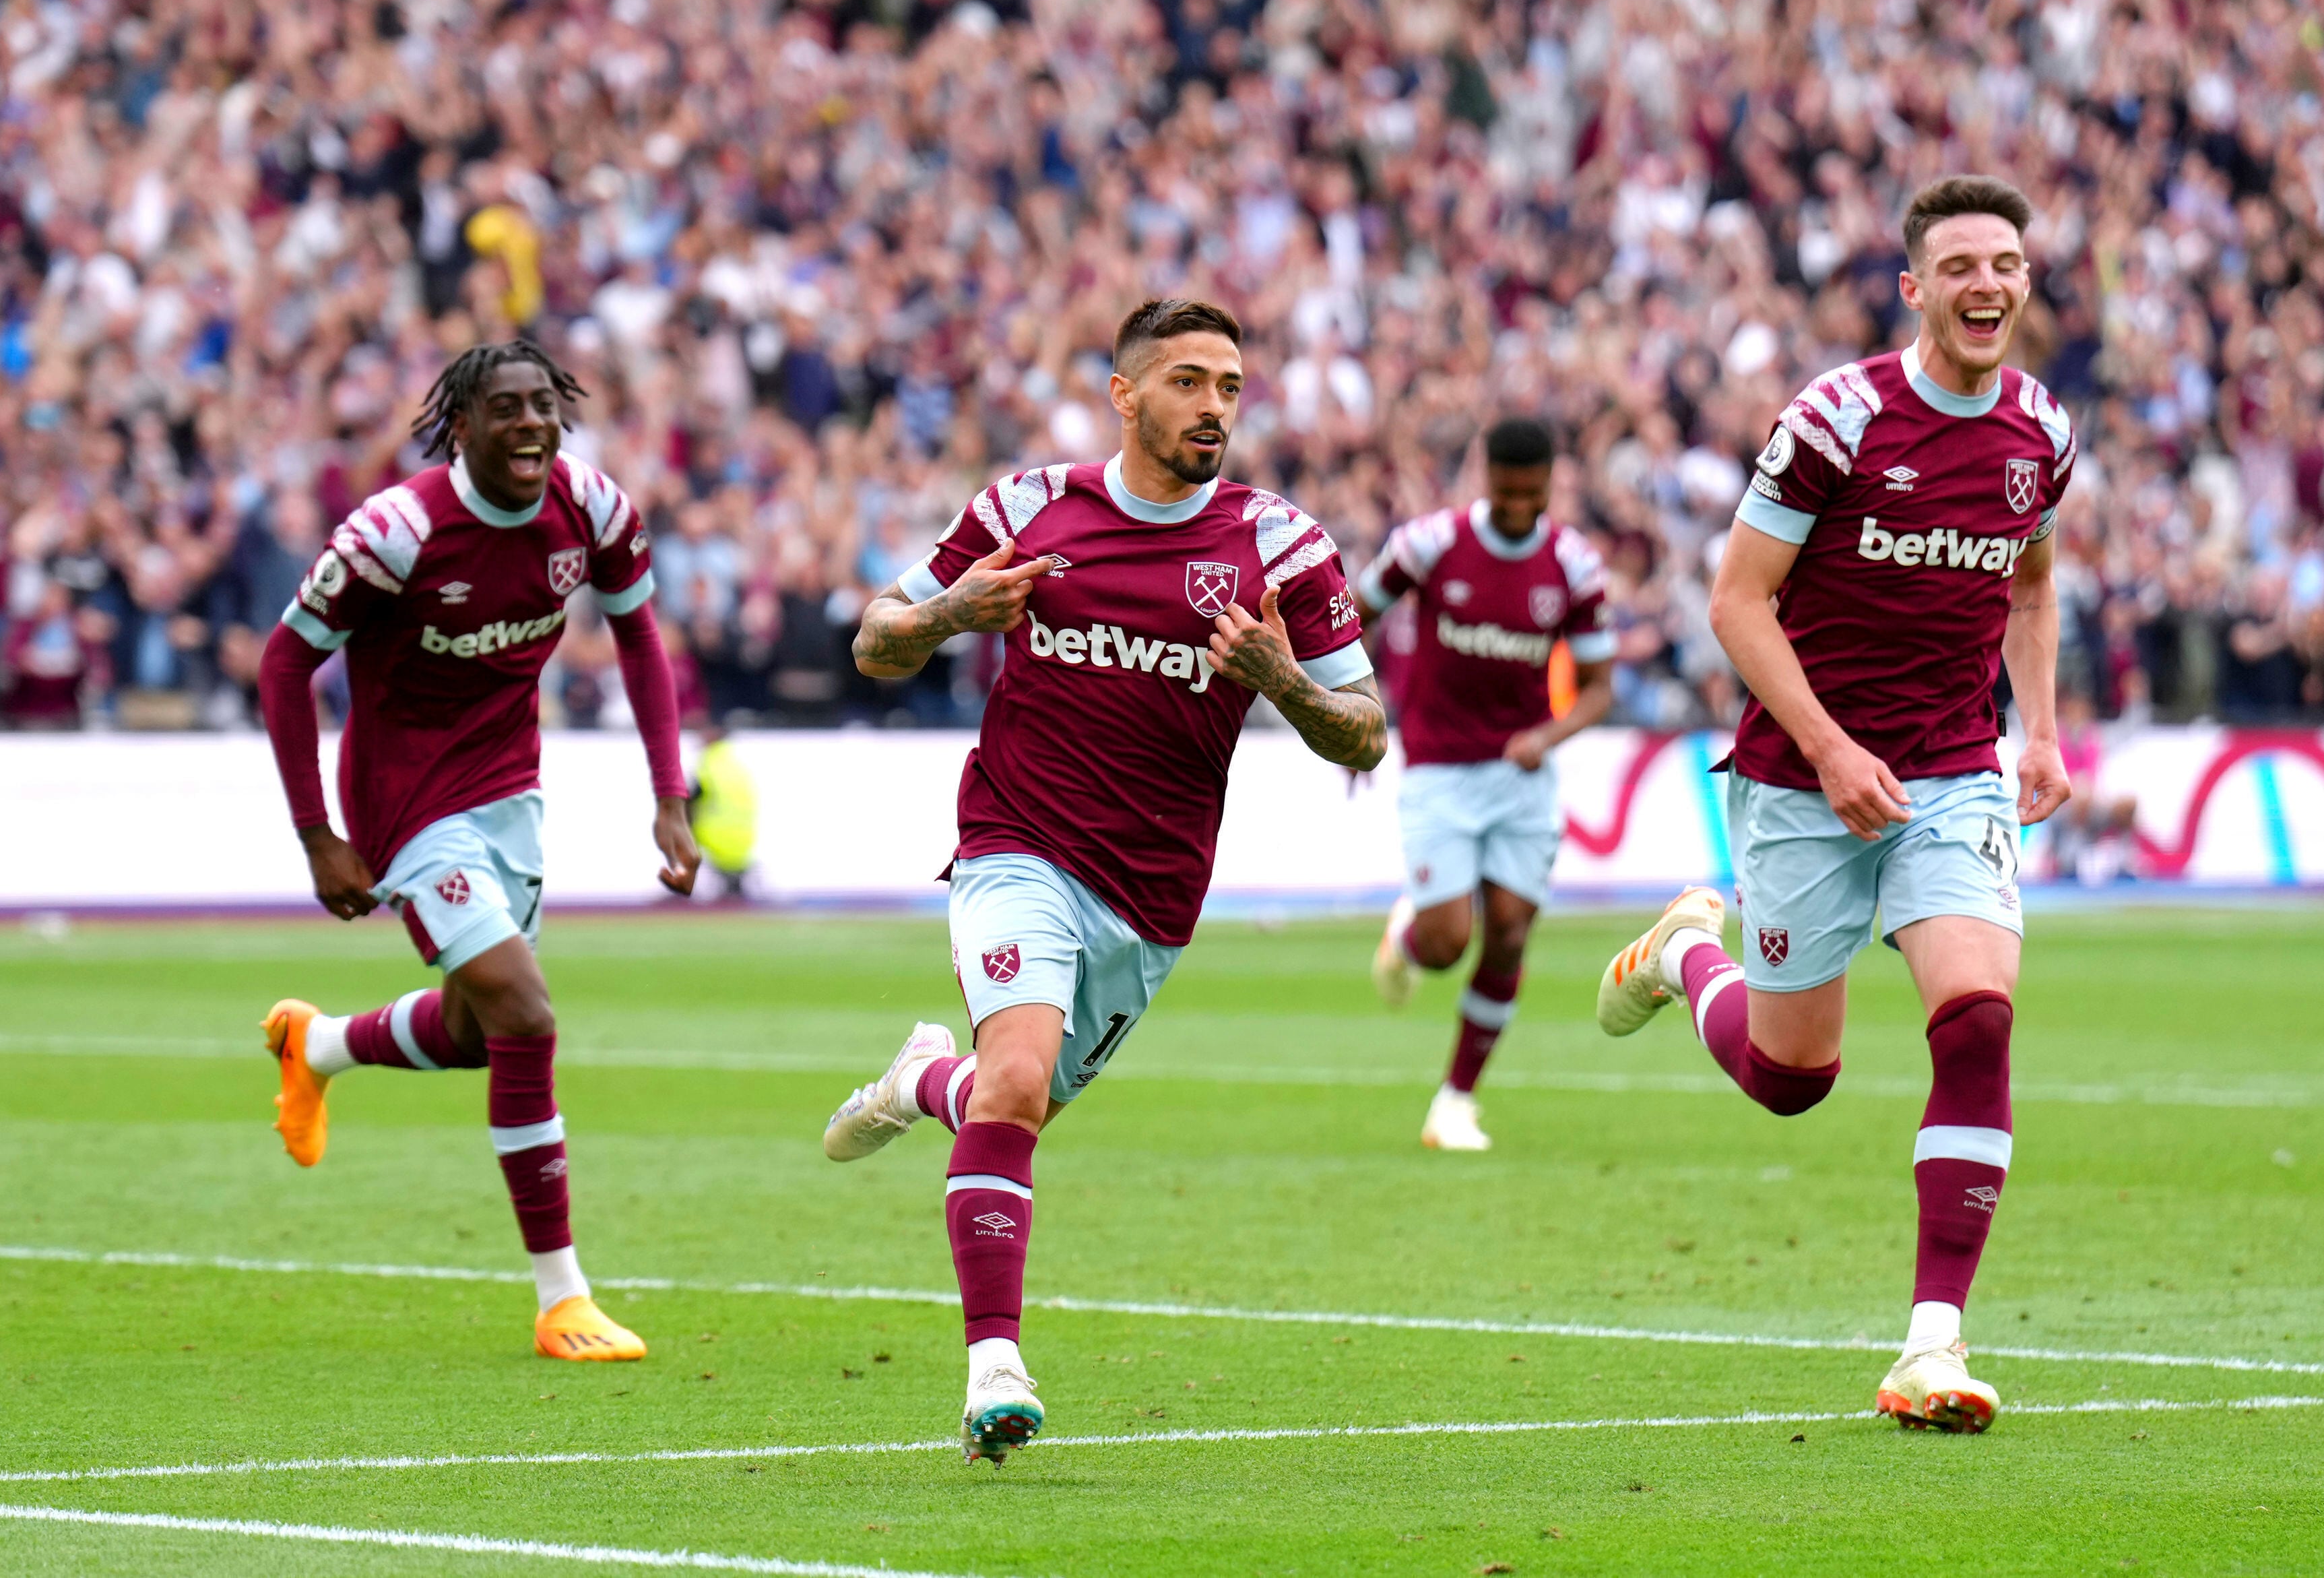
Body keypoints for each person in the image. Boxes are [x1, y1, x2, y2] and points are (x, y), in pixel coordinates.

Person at [823, 298, 1386, 1463]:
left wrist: (1281, 680)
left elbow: (1366, 734)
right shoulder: (1030, 508)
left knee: (1009, 1100)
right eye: (1188, 382)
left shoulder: (1281, 543)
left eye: (1230, 385)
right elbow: (876, 639)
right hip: (1015, 840)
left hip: (1154, 897)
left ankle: (924, 1078)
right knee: (1020, 1083)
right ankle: (994, 1370)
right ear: (1125, 395)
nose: (1214, 406)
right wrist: (949, 612)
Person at [1594, 176, 2074, 1434]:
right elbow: (1737, 601)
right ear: (1915, 288)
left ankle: (1932, 1343)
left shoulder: (2041, 432)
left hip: (1956, 770)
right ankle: (1687, 951)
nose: (1988, 285)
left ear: (2027, 282)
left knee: (1977, 1020)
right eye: (1960, 265)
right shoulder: (1837, 420)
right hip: (1802, 780)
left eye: (2007, 264)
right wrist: (1829, 745)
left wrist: (2044, 728)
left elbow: (2029, 585)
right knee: (1791, 1077)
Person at [254, 341, 700, 1363]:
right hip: (406, 802)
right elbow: (286, 663)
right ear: (461, 426)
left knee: (473, 1032)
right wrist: (317, 832)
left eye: (545, 405)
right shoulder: (395, 533)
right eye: (507, 409)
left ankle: (314, 1046)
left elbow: (640, 640)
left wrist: (668, 795)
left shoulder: (593, 512)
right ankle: (563, 1297)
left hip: (510, 796)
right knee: (528, 1016)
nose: (532, 424)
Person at [1356, 419, 1616, 1149]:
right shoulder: (1430, 544)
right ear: (1485, 477)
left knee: (1506, 933)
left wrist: (1548, 735)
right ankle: (1408, 934)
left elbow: (1598, 686)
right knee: (1445, 945)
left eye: (1530, 492)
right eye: (1505, 490)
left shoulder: (1572, 566)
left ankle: (1454, 1102)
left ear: (1549, 484)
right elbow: (1351, 614)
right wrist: (1349, 707)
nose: (1516, 504)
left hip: (1519, 774)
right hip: (1438, 768)